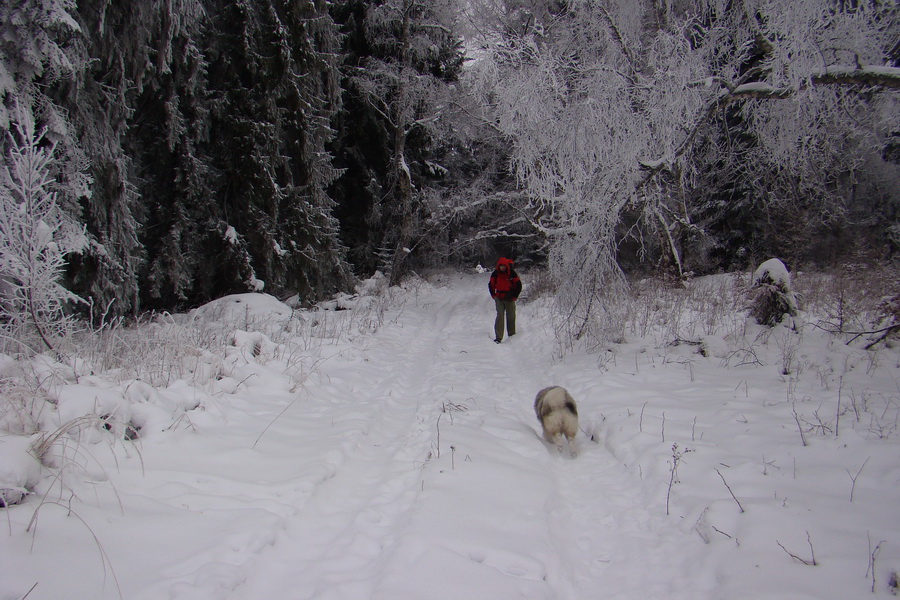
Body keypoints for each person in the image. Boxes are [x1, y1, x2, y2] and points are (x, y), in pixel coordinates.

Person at [488, 257, 522, 343]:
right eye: (501, 266)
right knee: (500, 315)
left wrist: (514, 296)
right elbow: (491, 284)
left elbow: (518, 285)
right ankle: (498, 337)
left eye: (504, 266)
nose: (502, 267)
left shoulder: (512, 273)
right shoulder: (495, 274)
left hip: (509, 297)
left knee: (511, 316)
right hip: (499, 297)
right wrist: (493, 295)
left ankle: (512, 335)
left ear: (506, 266)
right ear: (498, 266)